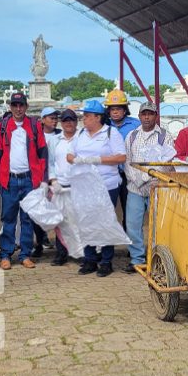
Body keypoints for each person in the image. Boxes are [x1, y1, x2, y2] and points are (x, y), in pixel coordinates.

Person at [67, 99, 126, 277]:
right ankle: (90, 259)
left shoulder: (110, 133)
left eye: (87, 116)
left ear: (97, 117)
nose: (84, 119)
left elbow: (121, 157)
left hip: (106, 184)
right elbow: (70, 154)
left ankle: (106, 261)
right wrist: (75, 160)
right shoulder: (80, 134)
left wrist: (98, 160)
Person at [0, 92, 48, 270]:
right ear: (10, 107)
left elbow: (42, 152)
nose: (18, 109)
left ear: (26, 107)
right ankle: (5, 255)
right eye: (15, 105)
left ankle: (25, 254)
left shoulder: (34, 125)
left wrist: (42, 179)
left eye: (21, 105)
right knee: (8, 218)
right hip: (9, 180)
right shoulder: (2, 126)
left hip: (28, 180)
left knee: (27, 219)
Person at [123, 101, 176, 273]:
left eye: (150, 114)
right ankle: (137, 259)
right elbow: (127, 162)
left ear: (155, 116)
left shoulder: (165, 136)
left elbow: (166, 163)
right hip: (135, 188)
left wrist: (146, 176)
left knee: (157, 225)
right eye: (144, 114)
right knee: (133, 225)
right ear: (139, 116)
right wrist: (138, 179)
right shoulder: (131, 136)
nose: (147, 117)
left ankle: (156, 259)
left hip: (157, 188)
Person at [103, 89, 141, 228]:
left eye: (118, 108)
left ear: (125, 110)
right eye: (112, 109)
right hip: (109, 173)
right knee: (107, 210)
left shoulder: (136, 125)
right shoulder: (103, 126)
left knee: (129, 210)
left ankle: (130, 245)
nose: (115, 112)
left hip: (129, 174)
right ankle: (108, 246)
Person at [47, 109, 79, 266]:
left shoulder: (82, 138)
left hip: (78, 185)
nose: (69, 123)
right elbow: (50, 162)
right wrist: (52, 180)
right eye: (65, 120)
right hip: (59, 185)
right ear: (61, 122)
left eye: (71, 120)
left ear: (76, 122)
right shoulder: (54, 140)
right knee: (60, 221)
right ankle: (61, 253)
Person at [31, 106, 60, 258]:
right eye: (51, 118)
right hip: (40, 179)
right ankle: (39, 242)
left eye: (56, 118)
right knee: (38, 213)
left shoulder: (61, 135)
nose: (54, 121)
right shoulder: (36, 136)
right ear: (43, 120)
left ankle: (61, 246)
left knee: (60, 212)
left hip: (57, 180)